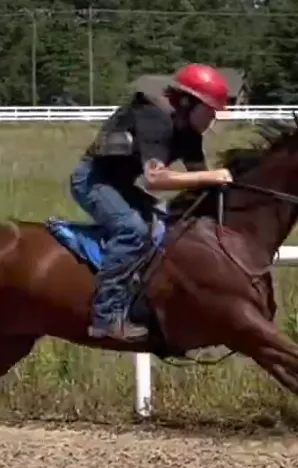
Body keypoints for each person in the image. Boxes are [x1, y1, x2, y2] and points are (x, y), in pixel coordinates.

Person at [69, 62, 235, 342]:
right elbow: (154, 179)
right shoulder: (154, 117)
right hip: (92, 181)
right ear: (186, 102)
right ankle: (105, 317)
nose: (213, 120)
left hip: (118, 184)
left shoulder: (189, 132)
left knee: (166, 223)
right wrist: (214, 175)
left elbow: (201, 180)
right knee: (132, 229)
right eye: (210, 111)